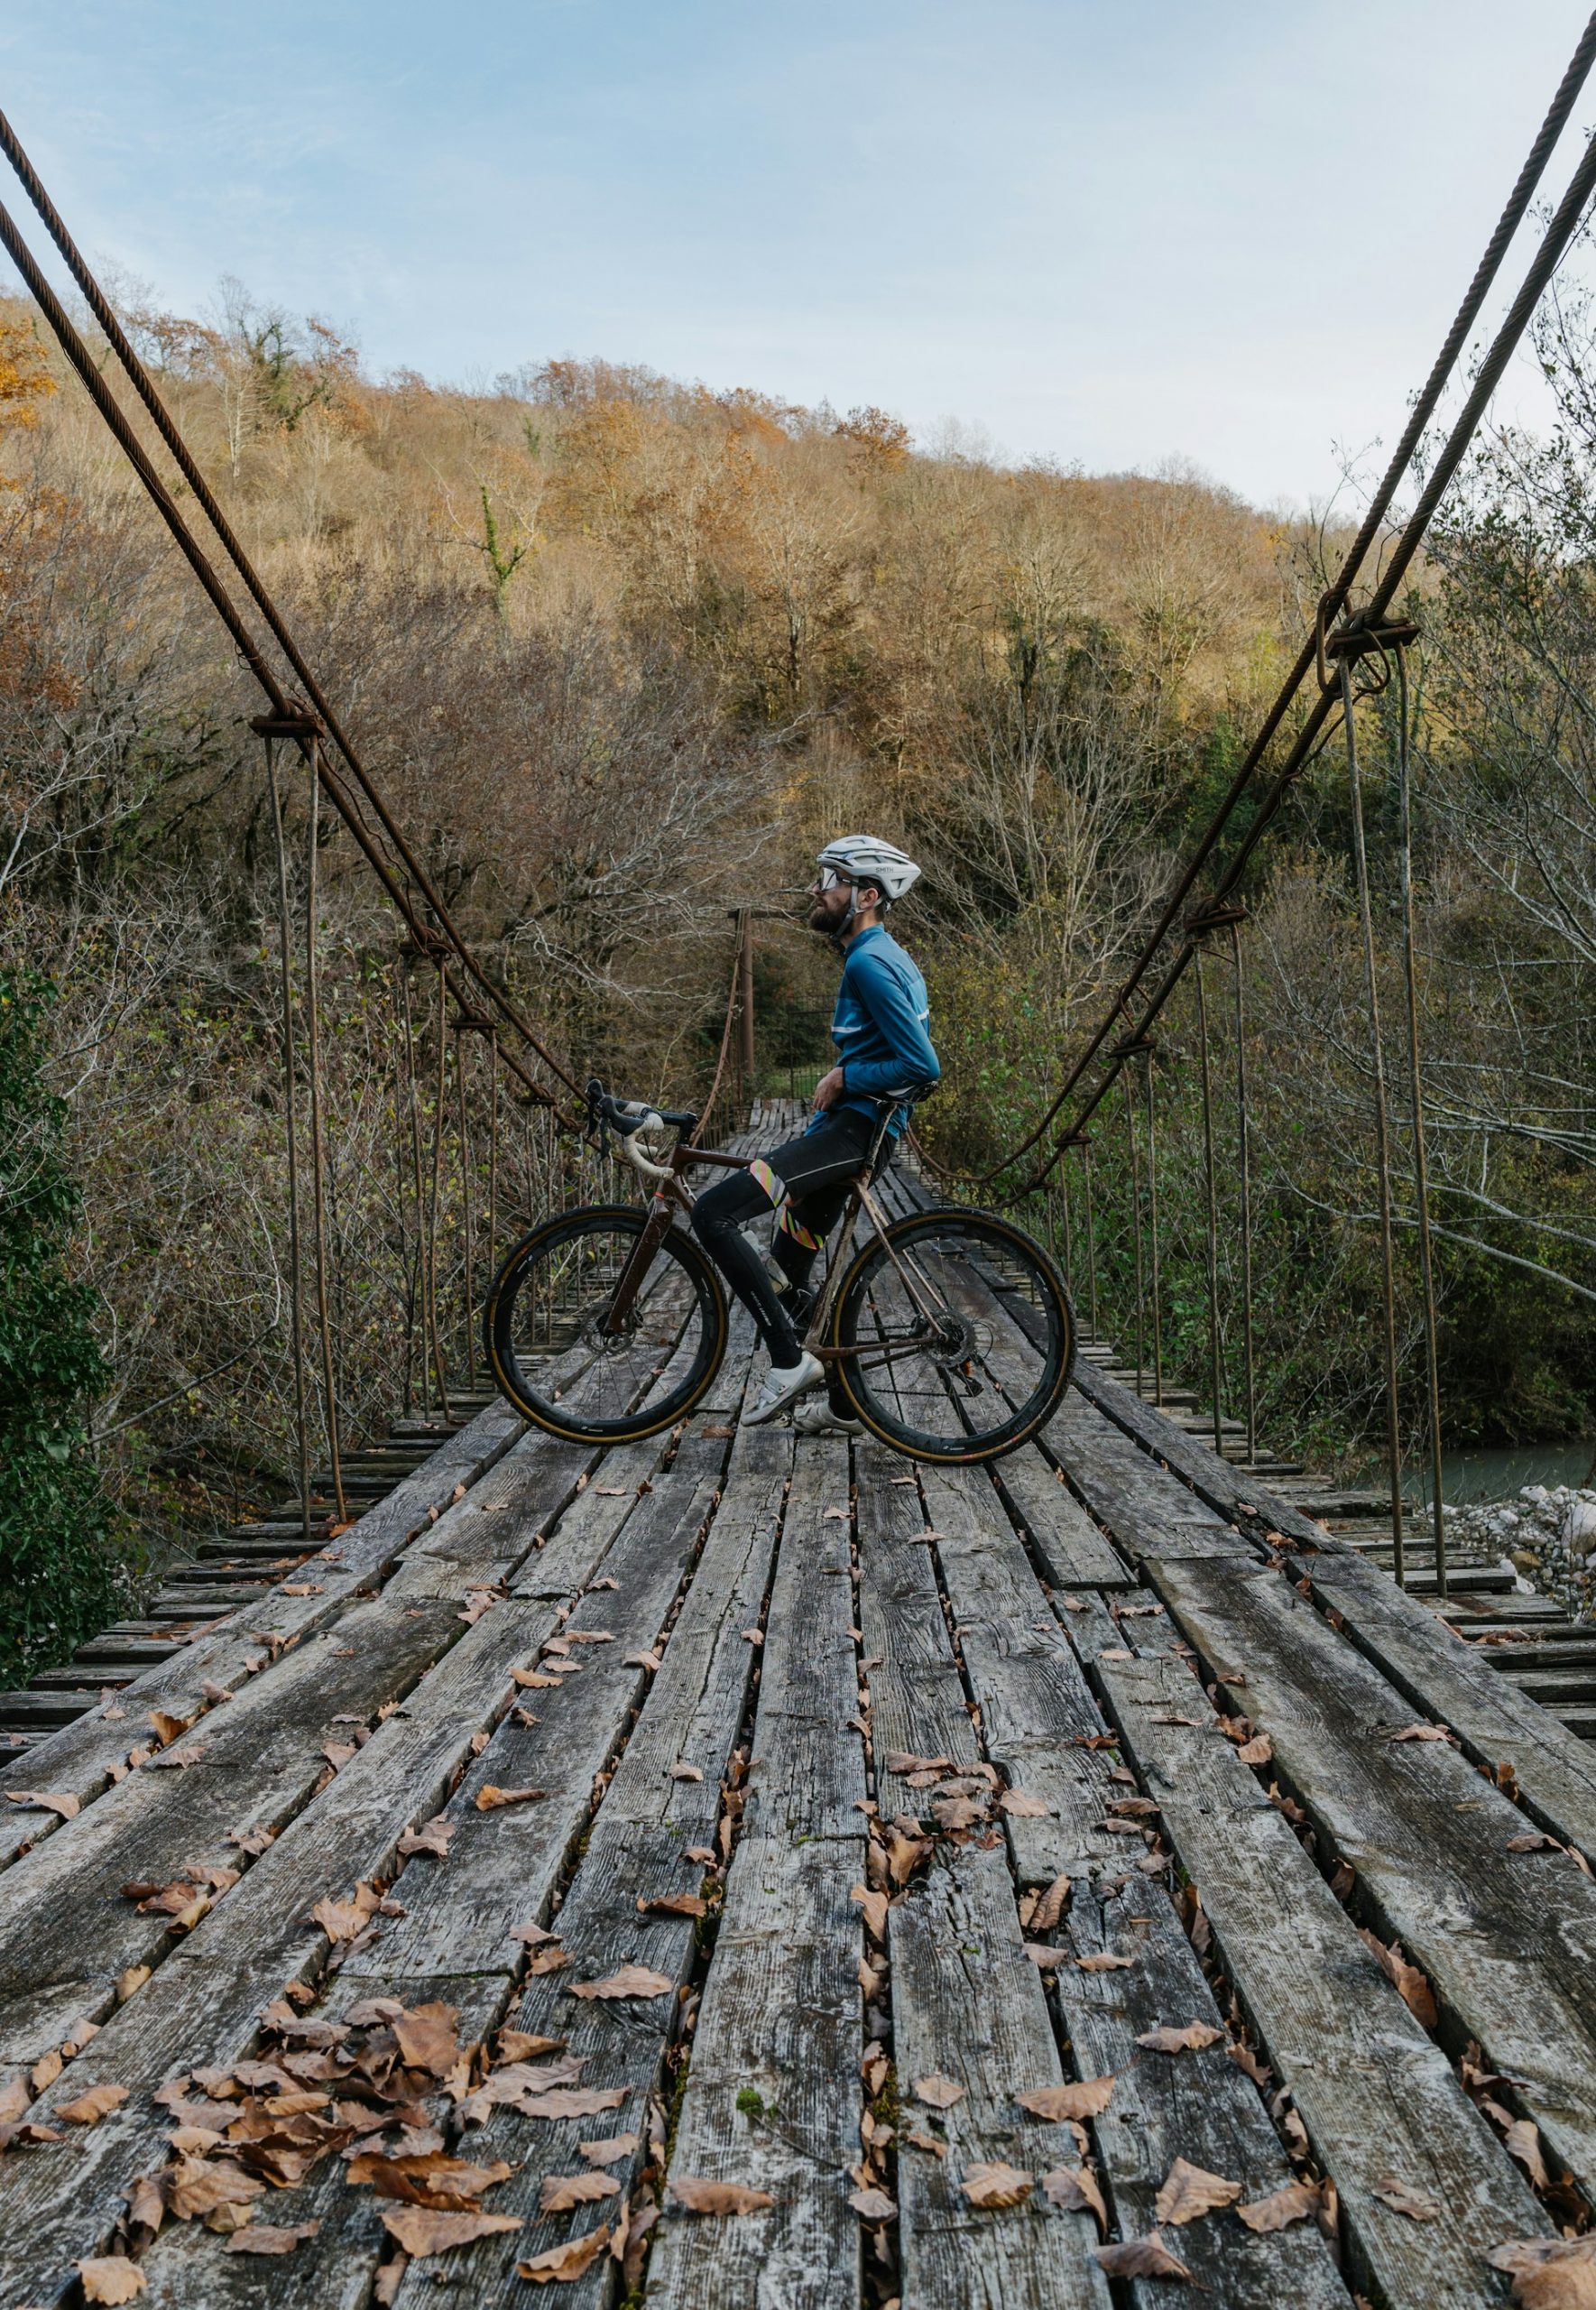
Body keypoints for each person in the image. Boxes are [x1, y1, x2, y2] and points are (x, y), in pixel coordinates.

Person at [691, 835, 940, 1431]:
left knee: (712, 1214)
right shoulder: (882, 955)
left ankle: (786, 1362)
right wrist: (845, 1073)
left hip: (851, 1136)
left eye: (828, 880)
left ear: (866, 895)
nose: (815, 889)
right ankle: (844, 1402)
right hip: (848, 1131)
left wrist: (847, 1075)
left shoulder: (868, 962)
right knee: (786, 1266)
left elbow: (922, 1067)